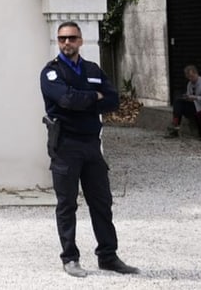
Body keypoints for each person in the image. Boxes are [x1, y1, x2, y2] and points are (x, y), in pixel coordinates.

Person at [40, 21, 139, 278]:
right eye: (62, 39)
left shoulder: (93, 69)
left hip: (91, 146)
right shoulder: (52, 73)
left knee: (102, 202)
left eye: (72, 38)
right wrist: (93, 97)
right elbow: (65, 100)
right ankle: (70, 258)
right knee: (67, 205)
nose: (67, 43)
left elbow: (113, 100)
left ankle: (108, 256)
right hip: (66, 146)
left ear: (80, 41)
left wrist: (82, 98)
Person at [164, 65, 201, 138]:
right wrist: (187, 97)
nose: (190, 79)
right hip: (192, 105)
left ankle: (175, 125)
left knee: (179, 104)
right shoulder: (189, 84)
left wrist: (196, 98)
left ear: (196, 73)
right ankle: (175, 124)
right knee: (178, 102)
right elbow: (189, 94)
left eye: (192, 76)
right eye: (189, 77)